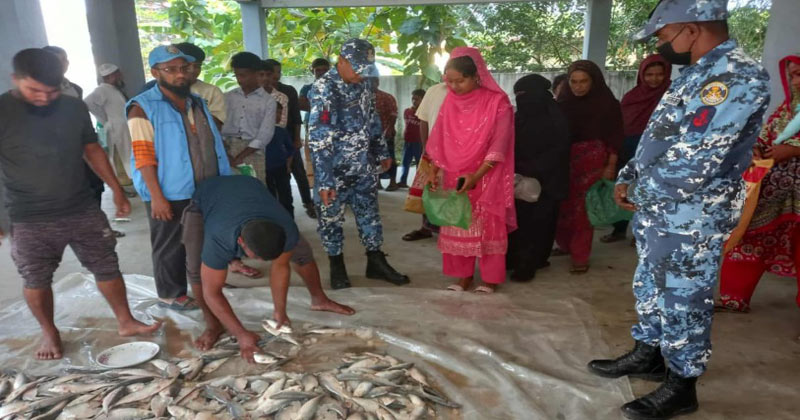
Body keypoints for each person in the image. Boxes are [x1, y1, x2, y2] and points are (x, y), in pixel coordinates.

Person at [587, 1, 771, 419]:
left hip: (693, 213)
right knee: (651, 285)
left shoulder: (736, 76)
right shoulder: (696, 73)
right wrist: (628, 175)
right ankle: (648, 353)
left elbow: (696, 161)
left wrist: (642, 191)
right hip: (661, 207)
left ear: (690, 29)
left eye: (664, 36)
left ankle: (682, 383)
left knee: (685, 296)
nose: (662, 46)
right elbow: (660, 137)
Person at [0, 49, 161, 360]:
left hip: (81, 207)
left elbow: (91, 148)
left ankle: (126, 321)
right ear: (15, 80)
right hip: (28, 215)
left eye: (51, 91)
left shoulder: (72, 106)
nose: (45, 99)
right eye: (34, 91)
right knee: (36, 278)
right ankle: (50, 332)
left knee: (106, 265)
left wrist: (116, 188)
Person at [181, 175, 354, 361]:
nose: (261, 261)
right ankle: (213, 325)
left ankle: (319, 299)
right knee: (196, 270)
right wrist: (241, 335)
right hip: (208, 195)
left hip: (249, 187)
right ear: (241, 242)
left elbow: (280, 267)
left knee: (302, 254)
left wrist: (280, 312)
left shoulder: (286, 228)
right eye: (256, 257)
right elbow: (212, 292)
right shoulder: (219, 238)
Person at [127, 45, 232, 311]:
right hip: (169, 191)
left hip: (205, 186)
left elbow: (212, 144)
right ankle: (171, 293)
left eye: (184, 68)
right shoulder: (142, 108)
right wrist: (157, 197)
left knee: (202, 240)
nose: (180, 75)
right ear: (155, 72)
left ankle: (205, 284)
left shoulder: (197, 102)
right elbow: (143, 157)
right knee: (169, 244)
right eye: (171, 69)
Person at [308, 38, 409, 289]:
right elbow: (319, 137)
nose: (362, 75)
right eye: (357, 68)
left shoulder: (362, 85)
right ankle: (336, 265)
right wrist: (324, 179)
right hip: (334, 171)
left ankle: (375, 262)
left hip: (363, 167)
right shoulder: (324, 88)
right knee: (331, 219)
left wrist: (381, 150)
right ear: (341, 61)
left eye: (366, 69)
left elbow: (372, 119)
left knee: (370, 215)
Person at [425, 47, 516, 294]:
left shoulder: (498, 102)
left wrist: (476, 176)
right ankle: (462, 277)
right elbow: (440, 140)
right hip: (454, 173)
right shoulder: (449, 102)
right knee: (458, 222)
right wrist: (434, 169)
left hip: (486, 175)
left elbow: (500, 143)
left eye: (460, 80)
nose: (454, 87)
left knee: (487, 226)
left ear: (476, 76)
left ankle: (490, 278)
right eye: (449, 81)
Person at [719, 54, 800, 313]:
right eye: (792, 75)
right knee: (747, 237)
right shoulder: (786, 110)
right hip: (771, 193)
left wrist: (794, 150)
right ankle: (734, 298)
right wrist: (755, 148)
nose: (796, 81)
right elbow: (764, 136)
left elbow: (787, 147)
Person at [553, 60, 624, 274]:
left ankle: (580, 255)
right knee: (563, 207)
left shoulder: (608, 104)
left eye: (584, 81)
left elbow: (615, 136)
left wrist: (610, 165)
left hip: (593, 162)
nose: (578, 86)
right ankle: (565, 245)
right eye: (573, 81)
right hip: (565, 162)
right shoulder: (562, 103)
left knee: (584, 209)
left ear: (594, 81)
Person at [601, 55, 672, 244]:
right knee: (623, 188)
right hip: (629, 146)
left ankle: (642, 232)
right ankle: (619, 229)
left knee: (650, 190)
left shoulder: (673, 94)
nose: (654, 79)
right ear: (642, 75)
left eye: (659, 74)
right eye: (649, 74)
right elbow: (619, 123)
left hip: (659, 148)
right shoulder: (633, 96)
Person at [506, 74, 570, 282]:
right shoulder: (521, 116)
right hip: (522, 179)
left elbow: (558, 149)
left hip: (548, 178)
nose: (521, 100)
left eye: (524, 95)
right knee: (521, 221)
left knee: (539, 223)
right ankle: (518, 259)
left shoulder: (556, 117)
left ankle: (529, 264)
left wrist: (532, 168)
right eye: (517, 96)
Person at [266, 58, 317, 219]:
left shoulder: (287, 91)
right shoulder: (261, 93)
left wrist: (296, 139)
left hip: (287, 138)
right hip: (269, 142)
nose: (277, 75)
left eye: (279, 72)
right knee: (279, 179)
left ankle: (308, 203)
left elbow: (296, 117)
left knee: (299, 173)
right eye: (273, 72)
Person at [401, 82, 449, 242]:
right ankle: (426, 227)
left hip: (457, 152)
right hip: (433, 150)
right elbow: (424, 120)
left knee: (450, 192)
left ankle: (449, 230)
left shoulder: (476, 91)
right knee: (428, 189)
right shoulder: (434, 90)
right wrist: (426, 147)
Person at [221, 52, 276, 184]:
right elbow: (218, 125)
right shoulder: (227, 97)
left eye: (243, 75)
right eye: (237, 75)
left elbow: (265, 134)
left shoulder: (268, 101)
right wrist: (226, 153)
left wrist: (240, 157)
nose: (239, 79)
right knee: (229, 191)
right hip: (225, 149)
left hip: (252, 152)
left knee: (254, 191)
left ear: (256, 74)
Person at [85, 63, 134, 193]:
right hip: (116, 128)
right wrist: (105, 119)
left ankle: (129, 182)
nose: (121, 76)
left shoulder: (113, 89)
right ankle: (124, 185)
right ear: (112, 76)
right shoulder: (102, 90)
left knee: (127, 153)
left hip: (123, 126)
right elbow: (88, 102)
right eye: (118, 74)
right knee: (120, 155)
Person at [299, 58, 332, 197]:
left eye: (325, 70)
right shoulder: (307, 88)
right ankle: (317, 192)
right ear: (312, 70)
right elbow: (301, 104)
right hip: (313, 128)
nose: (321, 73)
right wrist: (321, 108)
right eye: (318, 70)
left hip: (333, 129)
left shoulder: (336, 87)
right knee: (314, 160)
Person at [177, 42, 227, 128]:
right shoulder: (160, 90)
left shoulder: (212, 91)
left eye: (197, 66)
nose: (193, 70)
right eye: (187, 65)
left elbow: (217, 124)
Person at [265, 103, 295, 215]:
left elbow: (291, 150)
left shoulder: (281, 131)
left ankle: (290, 223)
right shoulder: (257, 132)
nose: (279, 116)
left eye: (280, 113)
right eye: (276, 112)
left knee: (286, 197)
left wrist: (288, 165)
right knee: (269, 197)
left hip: (281, 168)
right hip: (264, 169)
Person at [373, 79, 399, 191]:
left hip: (386, 132)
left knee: (390, 157)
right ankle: (377, 182)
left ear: (377, 83)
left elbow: (393, 114)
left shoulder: (387, 97)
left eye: (372, 82)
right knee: (374, 159)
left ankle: (393, 182)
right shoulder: (363, 97)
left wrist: (390, 128)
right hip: (372, 135)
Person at [397, 89, 425, 188]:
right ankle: (403, 181)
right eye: (413, 99)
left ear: (423, 99)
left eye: (417, 99)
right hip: (408, 141)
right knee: (405, 162)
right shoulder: (407, 111)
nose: (414, 101)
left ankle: (419, 184)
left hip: (419, 142)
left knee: (419, 163)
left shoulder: (424, 113)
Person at [261, 60, 289, 128]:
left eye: (268, 74)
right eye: (261, 75)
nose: (265, 78)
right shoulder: (249, 96)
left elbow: (282, 124)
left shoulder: (281, 97)